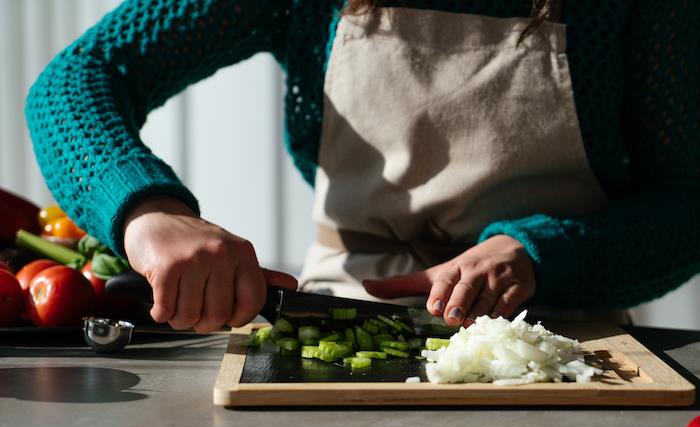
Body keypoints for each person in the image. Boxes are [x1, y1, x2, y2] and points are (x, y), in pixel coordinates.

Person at [25, 0, 699, 332]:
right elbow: (77, 80)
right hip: (337, 326)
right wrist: (147, 212)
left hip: (564, 344)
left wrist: (541, 252)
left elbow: (687, 204)